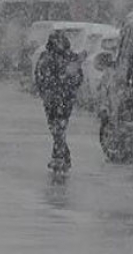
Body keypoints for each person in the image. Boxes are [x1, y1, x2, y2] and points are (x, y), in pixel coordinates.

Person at [35, 31, 84, 173]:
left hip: (59, 99)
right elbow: (39, 77)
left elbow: (78, 77)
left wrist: (46, 90)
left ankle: (59, 156)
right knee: (58, 128)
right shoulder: (63, 57)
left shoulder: (49, 57)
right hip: (60, 98)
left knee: (57, 128)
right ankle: (62, 156)